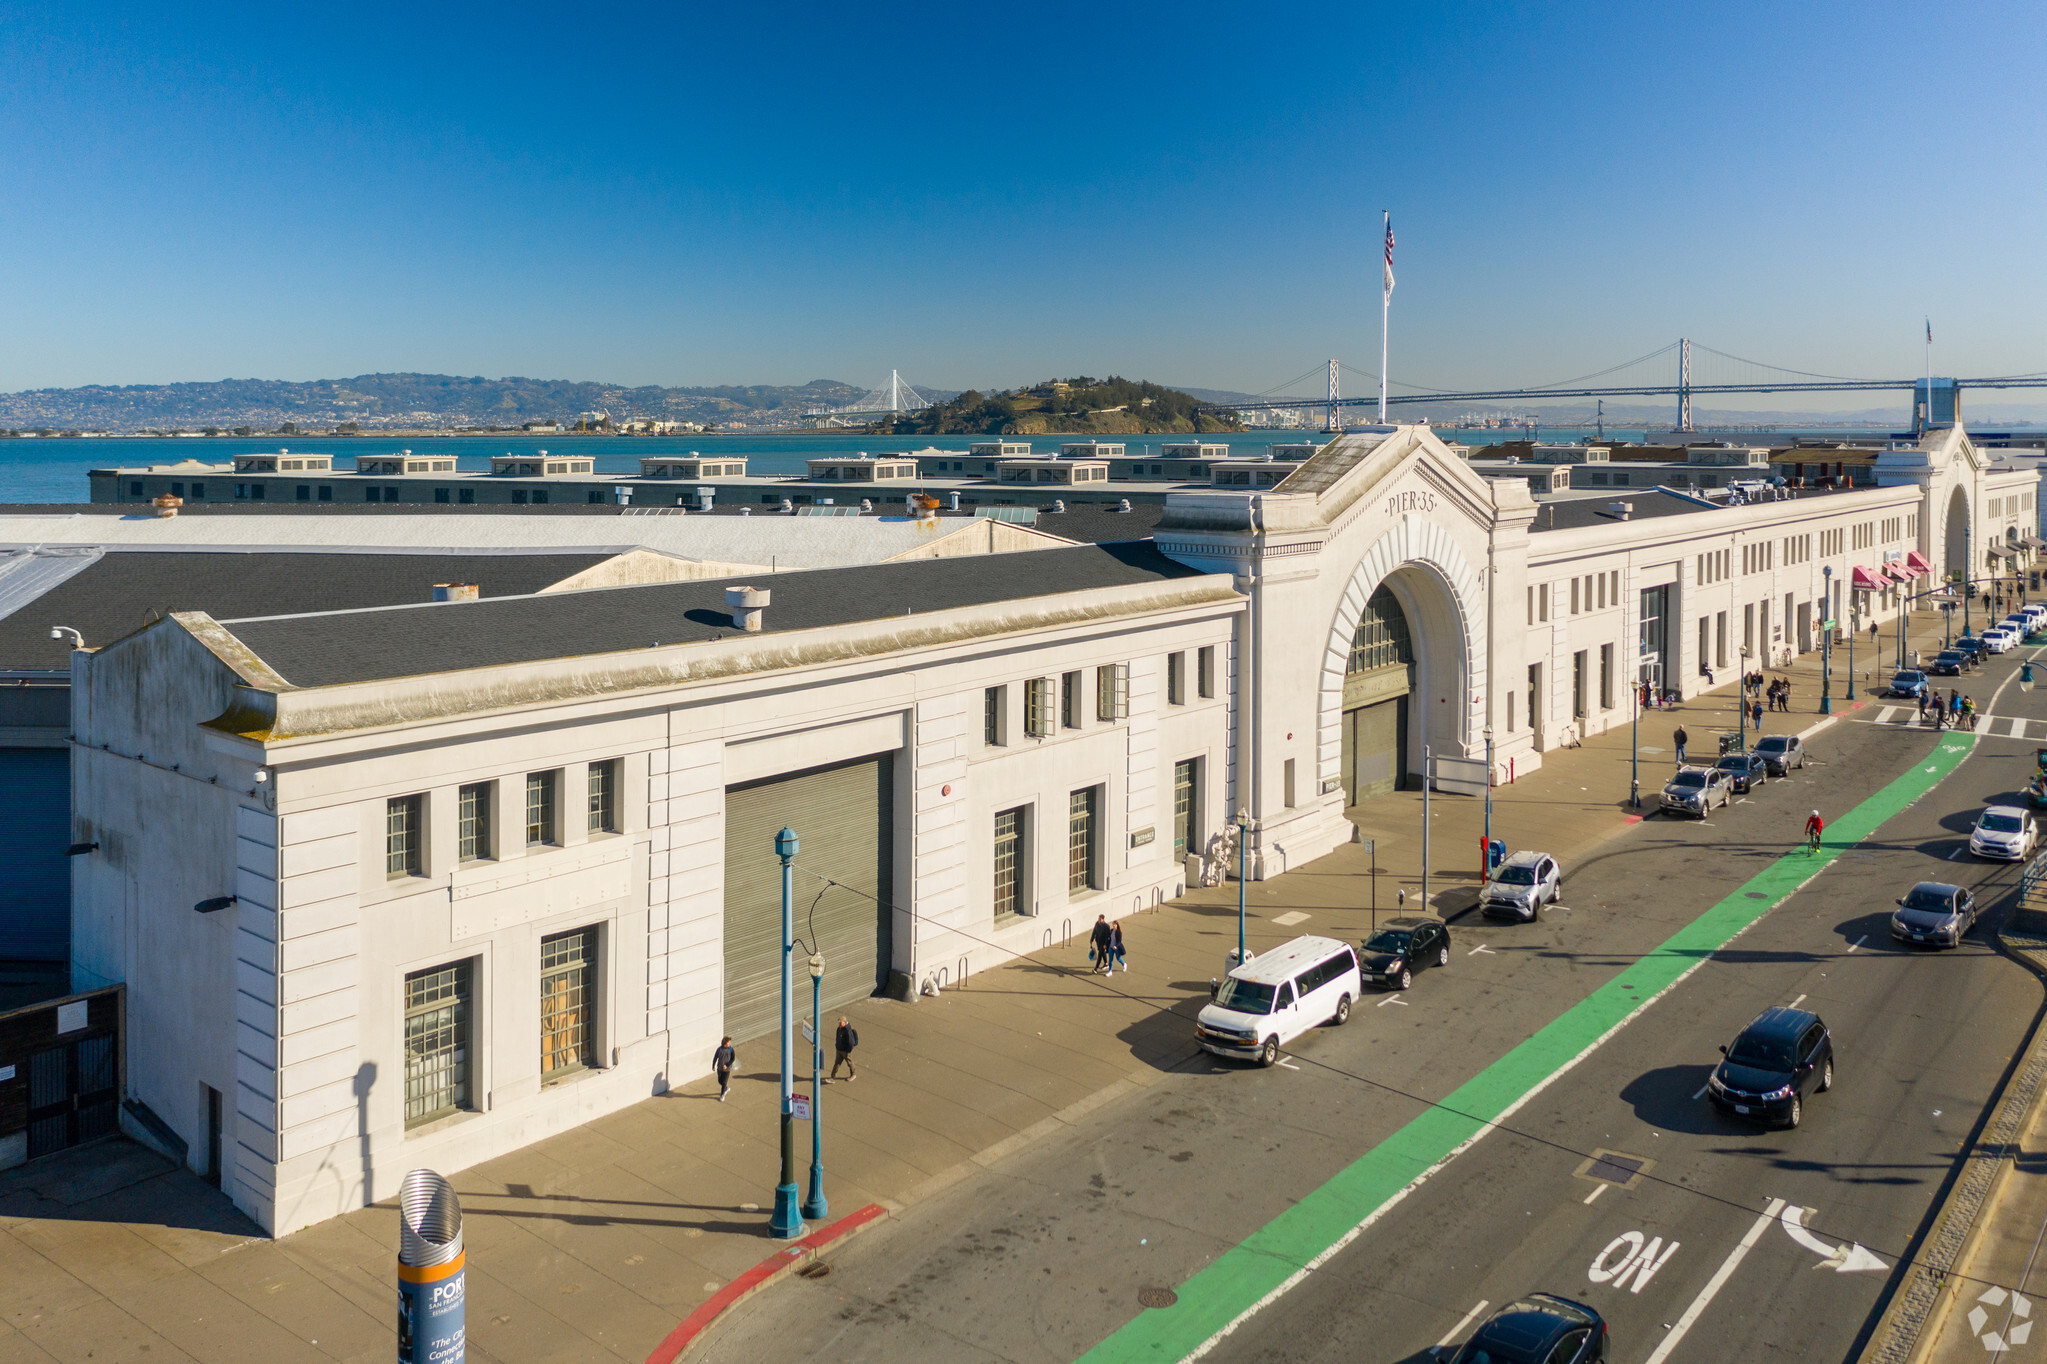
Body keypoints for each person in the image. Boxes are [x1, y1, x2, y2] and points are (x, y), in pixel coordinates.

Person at [827, 1016, 858, 1082]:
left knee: (849, 1063)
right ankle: (832, 1077)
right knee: (836, 1064)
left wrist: (848, 1051)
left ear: (844, 1022)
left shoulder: (848, 1031)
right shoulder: (839, 1029)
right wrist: (837, 1045)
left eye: (840, 1023)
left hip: (845, 1051)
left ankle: (853, 1074)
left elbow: (850, 1042)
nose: (839, 1024)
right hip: (839, 1050)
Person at [713, 1036, 736, 1102]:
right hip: (719, 1068)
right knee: (720, 1081)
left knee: (724, 1082)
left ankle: (722, 1095)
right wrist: (713, 1065)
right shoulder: (719, 1049)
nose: (730, 1044)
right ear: (725, 1043)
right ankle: (726, 1088)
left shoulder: (731, 1049)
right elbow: (715, 1057)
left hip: (727, 1069)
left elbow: (733, 1059)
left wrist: (727, 1065)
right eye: (728, 1042)